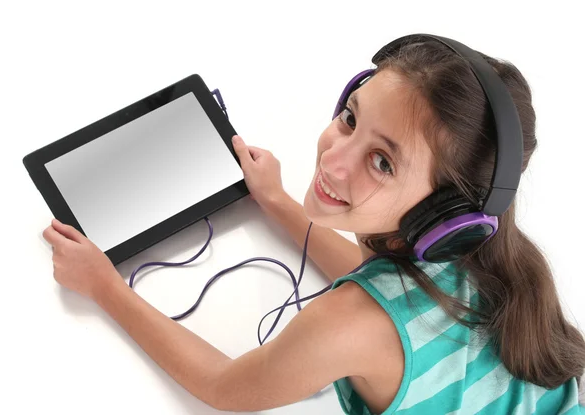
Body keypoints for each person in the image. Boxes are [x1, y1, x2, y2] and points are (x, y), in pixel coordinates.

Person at [42, 35, 585, 414]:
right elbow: (392, 294)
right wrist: (277, 202)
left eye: (382, 161)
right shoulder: (484, 257)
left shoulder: (345, 326)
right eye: (351, 117)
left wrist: (104, 287)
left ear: (445, 216)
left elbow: (223, 387)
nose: (333, 158)